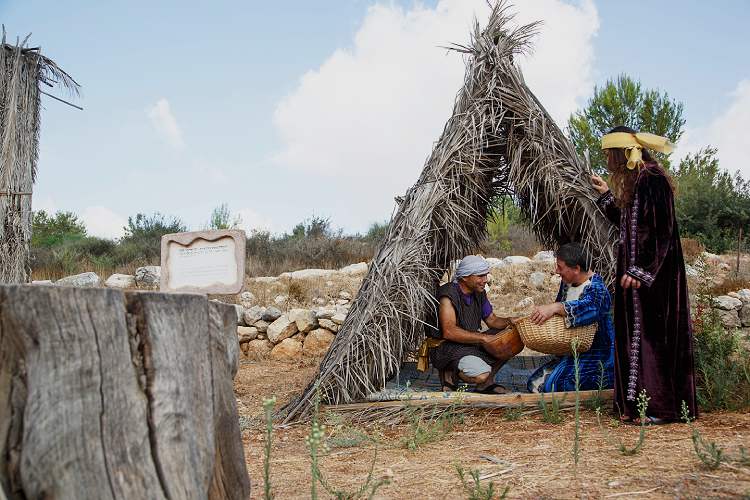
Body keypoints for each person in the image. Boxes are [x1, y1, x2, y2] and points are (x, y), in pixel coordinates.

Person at [591, 125, 697, 423]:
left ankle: (659, 408)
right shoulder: (637, 181)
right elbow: (628, 223)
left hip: (656, 279)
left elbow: (661, 230)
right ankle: (636, 405)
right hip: (635, 278)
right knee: (634, 338)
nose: (607, 160)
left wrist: (642, 270)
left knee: (653, 339)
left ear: (621, 152)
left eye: (608, 154)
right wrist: (606, 196)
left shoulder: (652, 179)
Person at [526, 243, 615, 393]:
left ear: (576, 269)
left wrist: (556, 307)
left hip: (596, 355)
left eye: (560, 267)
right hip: (571, 351)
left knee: (553, 387)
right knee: (534, 384)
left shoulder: (597, 289)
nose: (556, 271)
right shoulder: (567, 283)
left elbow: (590, 309)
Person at [425, 255, 519, 393]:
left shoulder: (479, 293)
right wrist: (483, 338)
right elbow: (449, 331)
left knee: (511, 340)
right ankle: (449, 374)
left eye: (486, 275)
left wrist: (509, 321)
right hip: (446, 348)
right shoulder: (448, 295)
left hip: (469, 343)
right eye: (480, 276)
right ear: (465, 277)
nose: (485, 280)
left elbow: (492, 320)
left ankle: (486, 384)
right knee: (481, 374)